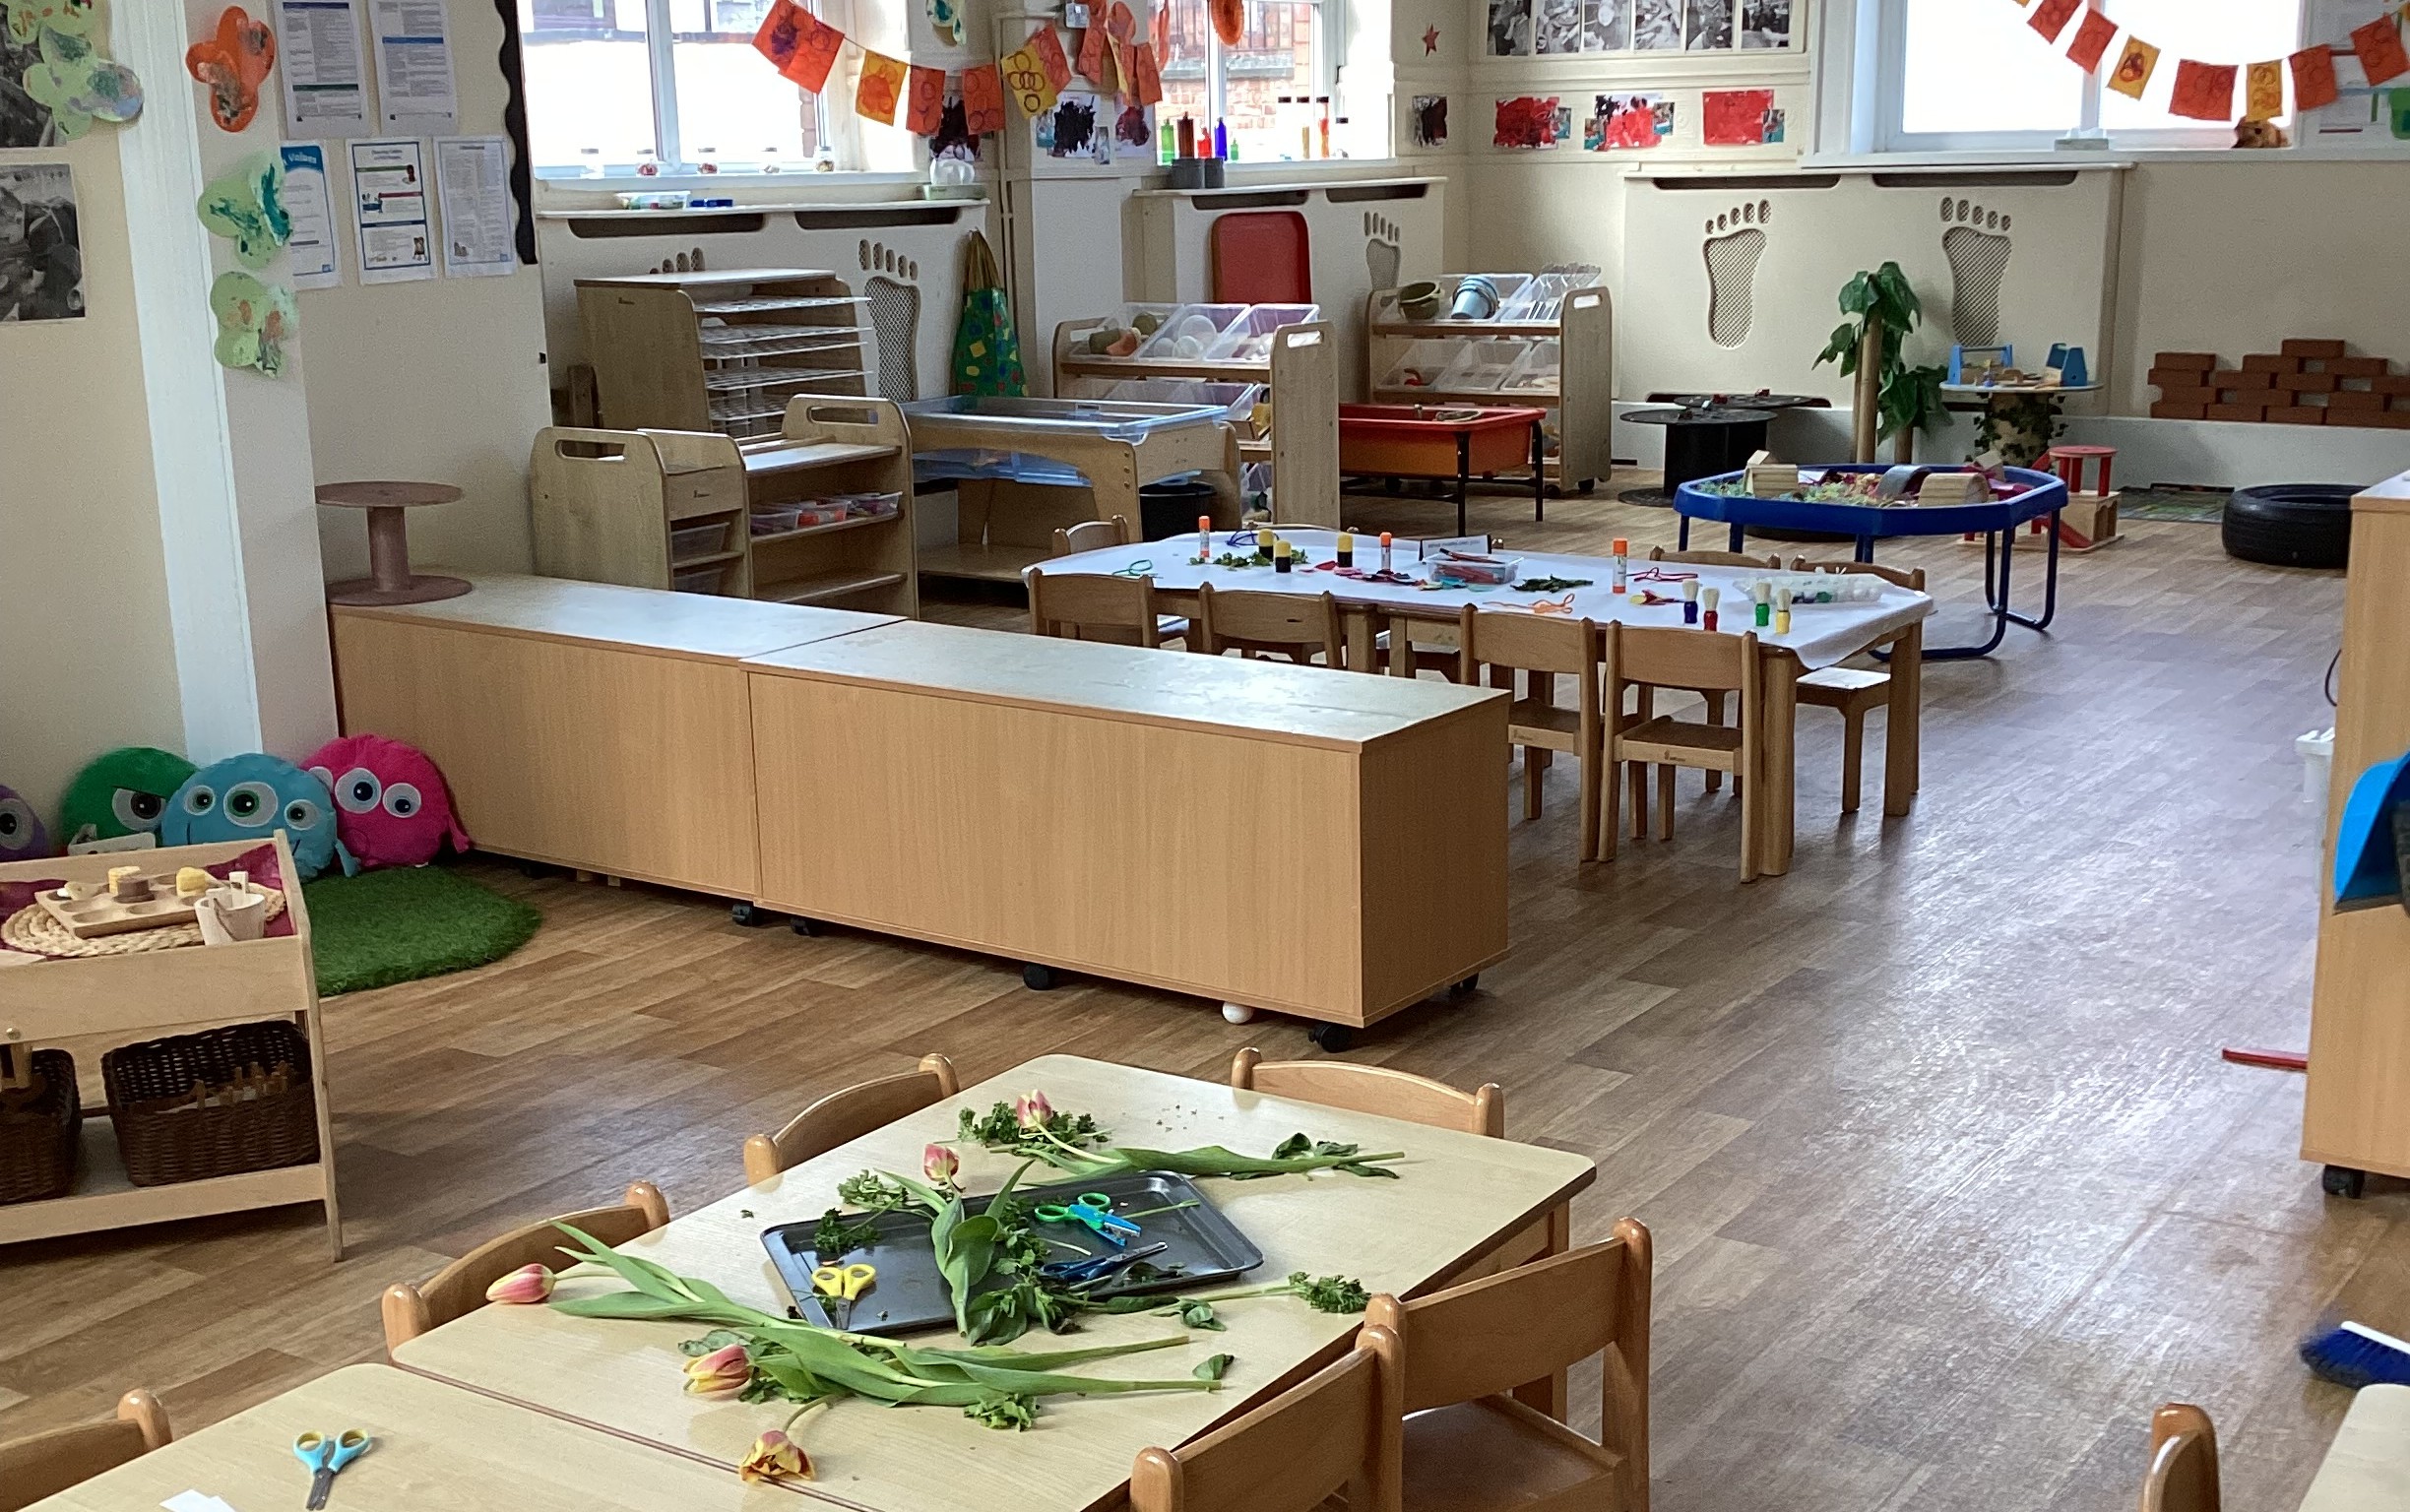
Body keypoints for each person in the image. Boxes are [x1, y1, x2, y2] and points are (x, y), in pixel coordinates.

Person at [0, 179, 84, 321]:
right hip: (64, 236)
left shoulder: (40, 232)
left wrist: (27, 285)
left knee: (36, 303)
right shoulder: (30, 209)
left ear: (18, 218)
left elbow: (37, 280)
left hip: (73, 263)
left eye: (7, 236)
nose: (6, 240)